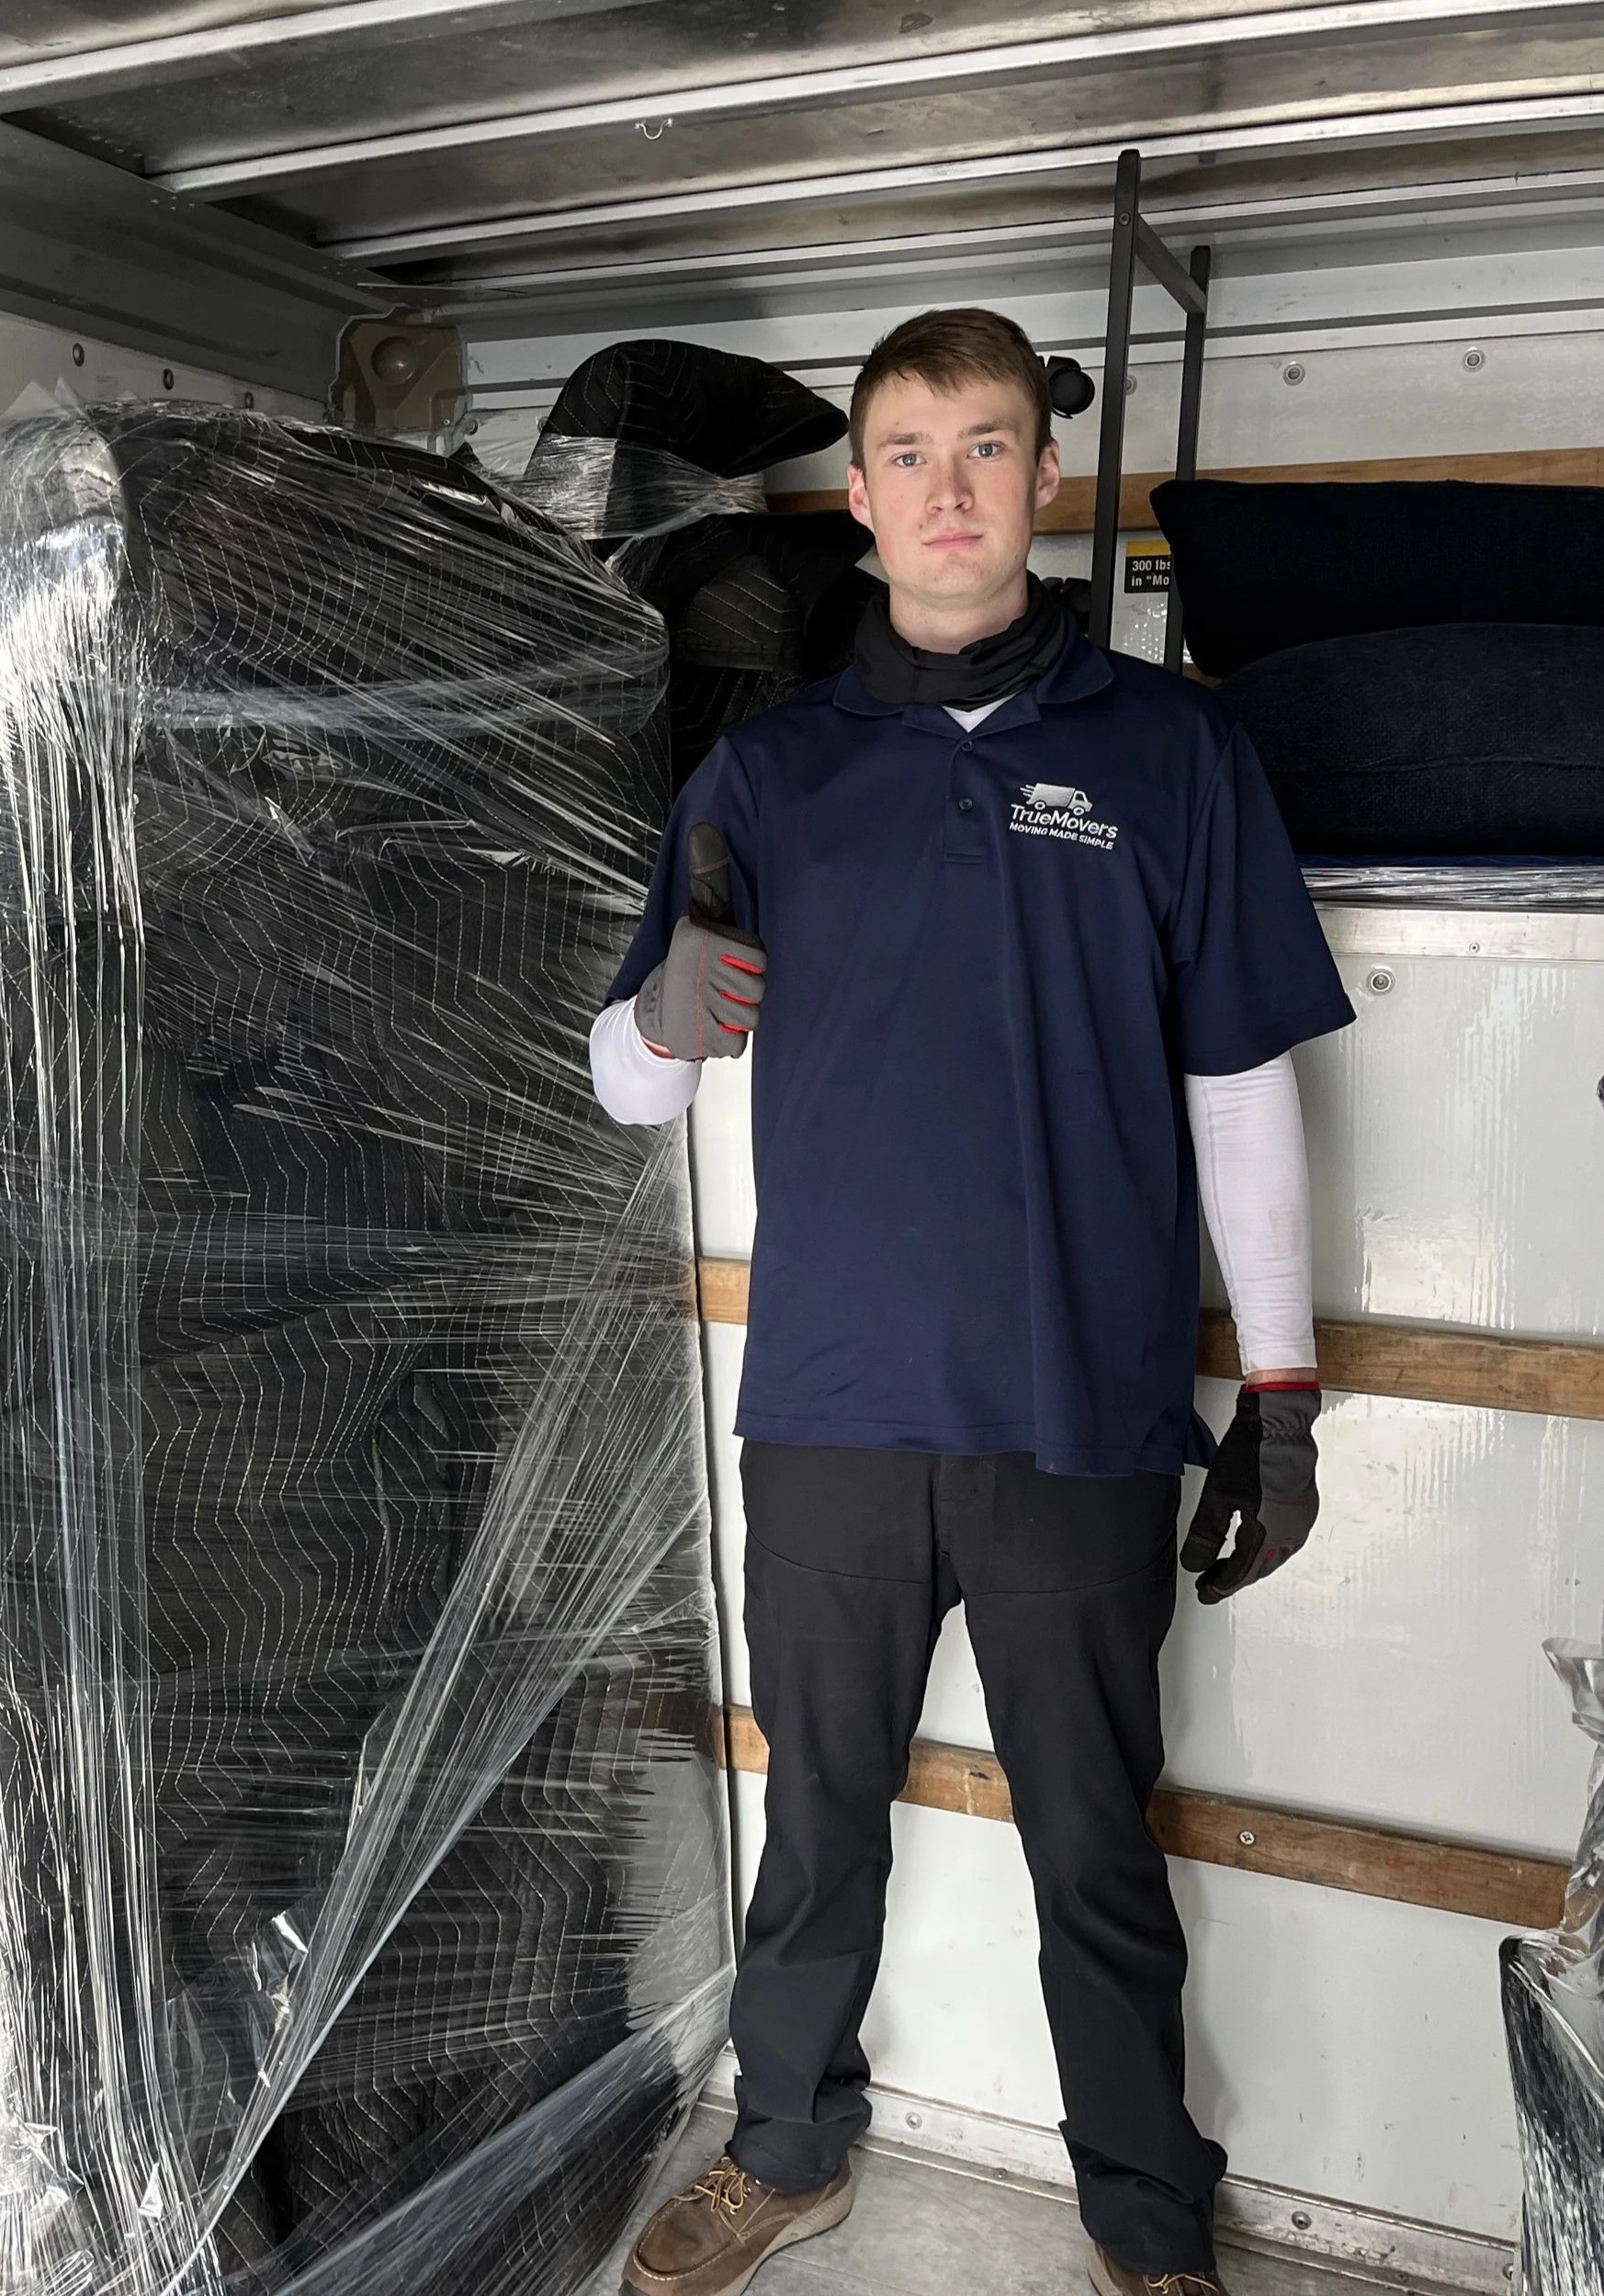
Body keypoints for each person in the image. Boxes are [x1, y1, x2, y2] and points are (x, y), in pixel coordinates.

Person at [594, 308, 1354, 2296]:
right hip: (833, 1405)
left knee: (1097, 1841)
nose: (947, 486)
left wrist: (1275, 1388)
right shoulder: (764, 773)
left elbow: (1239, 1083)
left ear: (1038, 481)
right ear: (858, 497)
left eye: (987, 446)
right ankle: (781, 2150)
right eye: (909, 451)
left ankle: (1143, 2213)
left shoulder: (1169, 752)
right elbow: (633, 1079)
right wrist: (691, 975)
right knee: (816, 1820)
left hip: (1078, 1415)